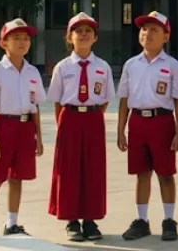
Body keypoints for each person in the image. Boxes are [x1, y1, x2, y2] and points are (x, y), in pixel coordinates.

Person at [118, 10, 178, 242]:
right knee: (141, 173)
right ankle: (141, 220)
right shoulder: (131, 64)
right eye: (144, 29)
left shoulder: (173, 65)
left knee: (166, 174)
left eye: (154, 30)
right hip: (138, 121)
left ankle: (169, 219)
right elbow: (124, 99)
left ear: (166, 36)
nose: (147, 34)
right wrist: (121, 130)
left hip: (162, 121)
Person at [48, 12, 114, 243]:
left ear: (95, 37)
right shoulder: (63, 67)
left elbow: (106, 98)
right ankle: (72, 219)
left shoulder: (103, 66)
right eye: (78, 31)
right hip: (70, 118)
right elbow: (57, 100)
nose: (83, 34)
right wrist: (63, 124)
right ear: (70, 37)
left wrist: (92, 116)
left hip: (93, 119)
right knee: (69, 170)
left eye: (88, 31)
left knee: (93, 169)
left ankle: (90, 219)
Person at [0, 18, 45, 237]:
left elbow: (35, 106)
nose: (22, 42)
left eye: (26, 38)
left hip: (25, 127)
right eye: (16, 38)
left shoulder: (32, 72)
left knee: (18, 176)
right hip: (4, 125)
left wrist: (39, 136)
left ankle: (12, 222)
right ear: (3, 43)